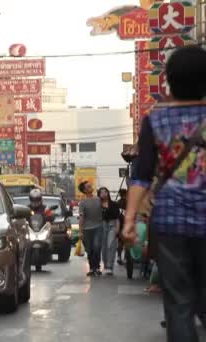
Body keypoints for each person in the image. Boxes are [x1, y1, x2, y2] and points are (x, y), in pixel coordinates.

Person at [123, 46, 206, 342]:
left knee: (179, 305)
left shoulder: (154, 120)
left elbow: (142, 175)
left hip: (171, 224)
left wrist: (130, 220)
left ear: (169, 82)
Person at [78, 181, 104, 276]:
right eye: (88, 186)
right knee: (90, 250)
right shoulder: (82, 202)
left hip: (98, 227)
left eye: (90, 185)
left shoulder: (99, 199)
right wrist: (80, 231)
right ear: (84, 190)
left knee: (97, 247)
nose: (91, 187)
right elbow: (81, 217)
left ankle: (97, 267)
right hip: (86, 229)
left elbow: (106, 208)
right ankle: (92, 268)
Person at [99, 187, 120, 275]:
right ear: (99, 195)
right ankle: (106, 265)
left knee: (110, 245)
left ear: (108, 193)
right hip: (102, 226)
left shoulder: (114, 204)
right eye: (101, 192)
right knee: (104, 247)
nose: (104, 194)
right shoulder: (98, 205)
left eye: (105, 192)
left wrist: (117, 228)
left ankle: (110, 266)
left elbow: (118, 218)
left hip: (112, 225)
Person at [117, 189, 128, 265]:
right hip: (127, 223)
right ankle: (125, 258)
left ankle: (119, 256)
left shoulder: (117, 203)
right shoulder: (128, 202)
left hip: (119, 224)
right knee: (126, 242)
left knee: (120, 242)